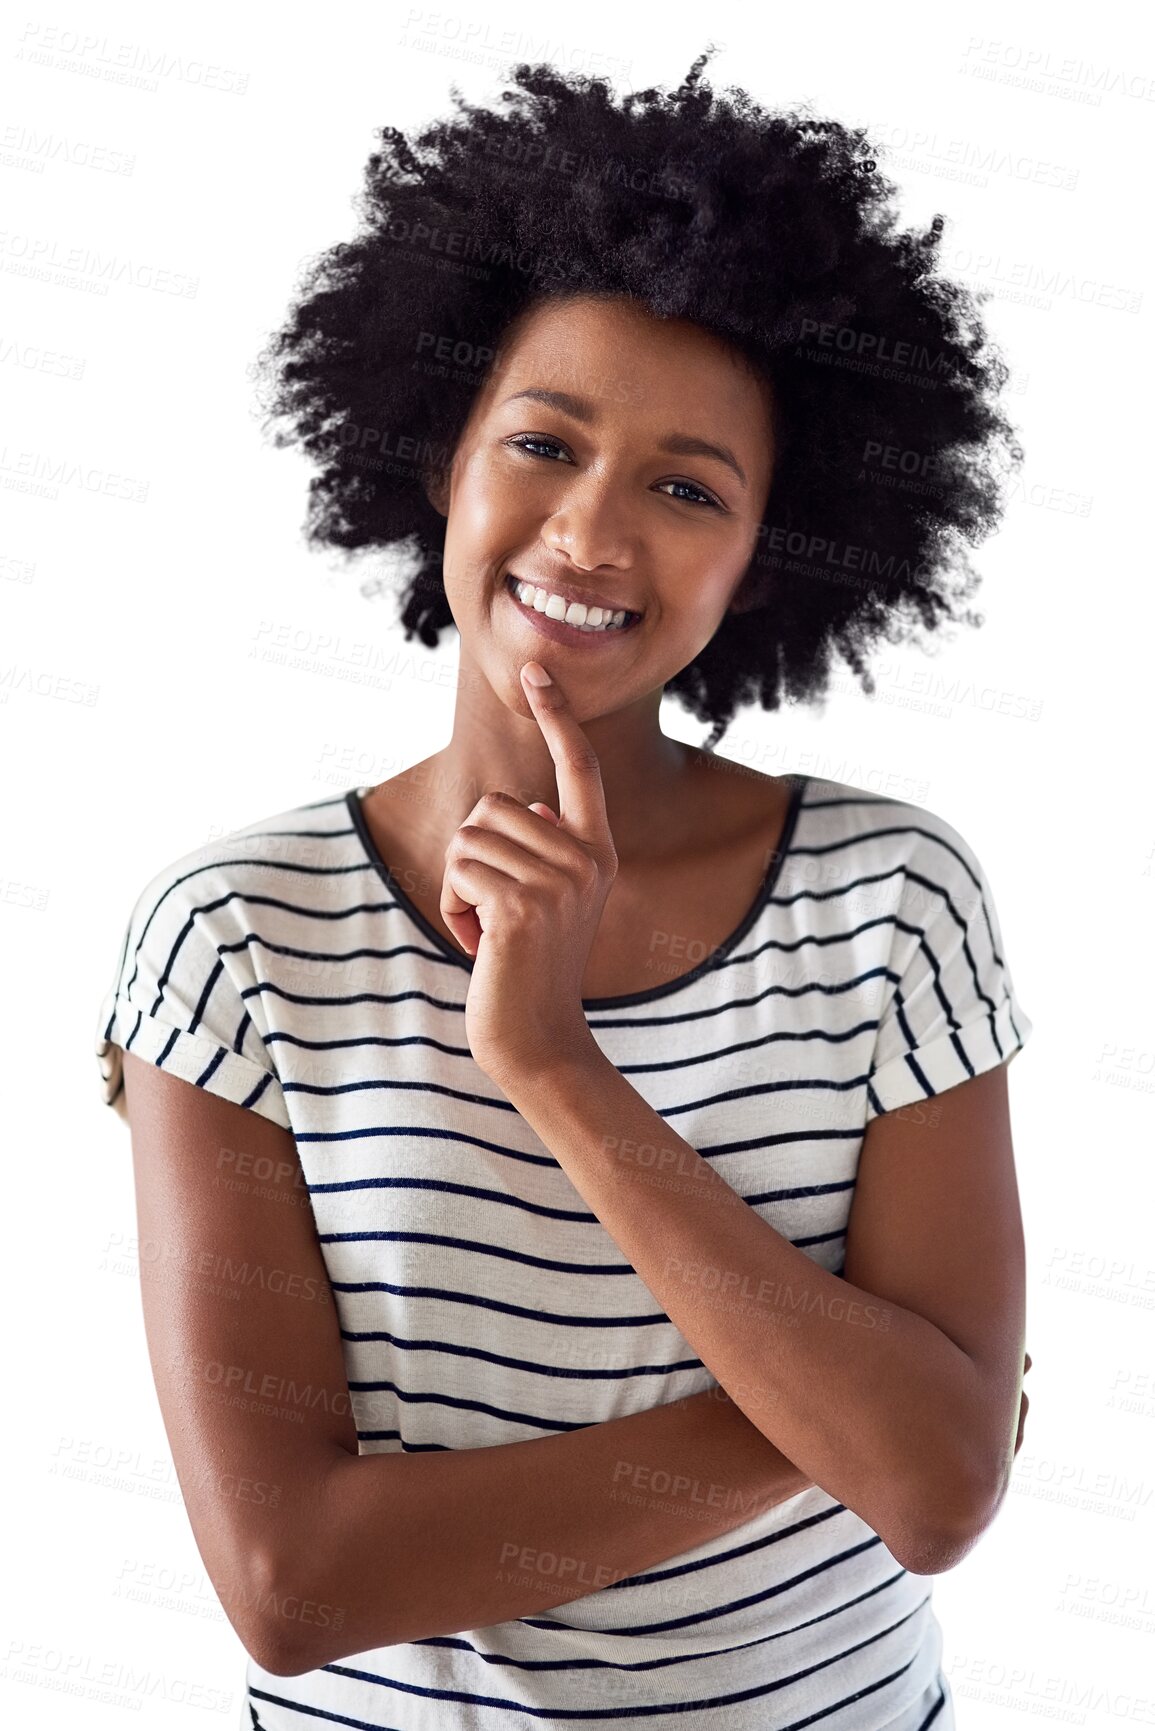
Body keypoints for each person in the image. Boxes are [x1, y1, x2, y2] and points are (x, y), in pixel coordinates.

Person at [94, 50, 1034, 1731]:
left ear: (771, 556)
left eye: (689, 489)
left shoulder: (891, 902)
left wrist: (555, 1068)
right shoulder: (235, 932)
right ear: (438, 462)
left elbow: (946, 1507)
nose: (594, 533)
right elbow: (292, 1585)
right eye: (543, 442)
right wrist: (831, 1418)